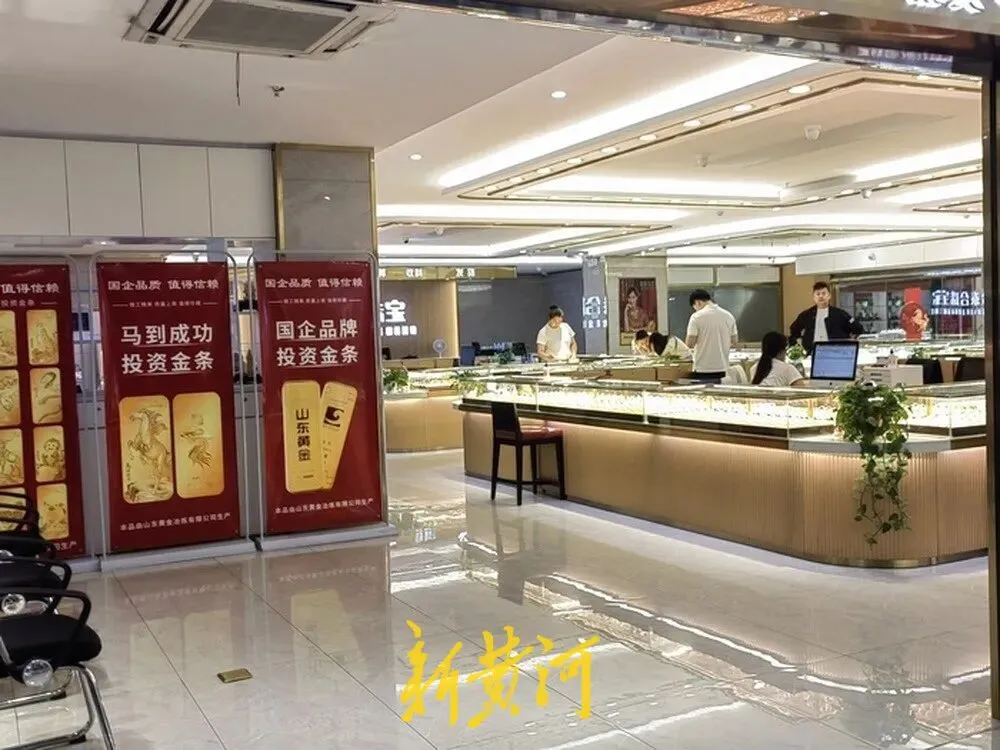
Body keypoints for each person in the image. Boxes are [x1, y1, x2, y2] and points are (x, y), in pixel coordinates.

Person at [789, 281, 863, 353]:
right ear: (813, 297)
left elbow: (858, 328)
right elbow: (794, 329)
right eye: (818, 294)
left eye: (823, 293)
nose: (821, 296)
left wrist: (849, 341)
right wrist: (799, 342)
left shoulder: (840, 313)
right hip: (812, 352)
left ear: (829, 296)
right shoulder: (807, 314)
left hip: (835, 352)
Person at [685, 290, 738, 381]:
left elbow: (690, 344)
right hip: (723, 369)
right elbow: (734, 341)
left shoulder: (696, 317)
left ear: (698, 302)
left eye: (695, 308)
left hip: (703, 369)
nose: (696, 310)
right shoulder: (728, 316)